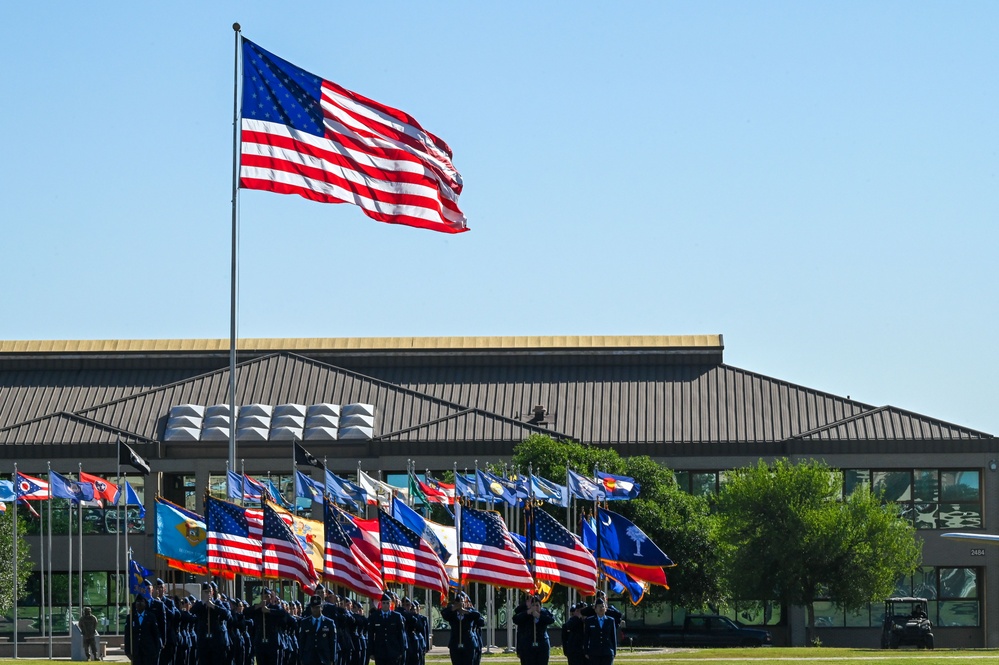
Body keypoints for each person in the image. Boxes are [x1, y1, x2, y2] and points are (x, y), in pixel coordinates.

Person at [246, 587, 290, 665]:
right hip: (260, 641)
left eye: (267, 596)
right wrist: (259, 606)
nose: (265, 598)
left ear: (270, 597)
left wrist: (268, 611)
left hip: (272, 641)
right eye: (263, 596)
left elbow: (283, 614)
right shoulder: (257, 608)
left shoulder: (275, 607)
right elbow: (245, 612)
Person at [439, 593, 482, 665]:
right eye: (458, 602)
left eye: (462, 602)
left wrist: (465, 611)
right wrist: (453, 608)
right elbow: (444, 613)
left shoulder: (469, 612)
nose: (460, 604)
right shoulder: (452, 614)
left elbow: (477, 615)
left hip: (468, 643)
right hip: (455, 643)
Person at [367, 592, 408, 665]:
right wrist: (371, 652)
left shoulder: (396, 616)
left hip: (393, 650)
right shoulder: (375, 616)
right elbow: (371, 635)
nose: (385, 605)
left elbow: (401, 634)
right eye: (384, 603)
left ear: (390, 604)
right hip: (379, 651)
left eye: (387, 603)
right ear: (381, 604)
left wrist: (402, 650)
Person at [513, 595, 554, 665]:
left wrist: (539, 616)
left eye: (537, 605)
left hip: (542, 643)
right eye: (533, 605)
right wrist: (528, 612)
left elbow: (551, 620)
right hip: (528, 644)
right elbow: (516, 619)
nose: (535, 607)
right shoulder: (526, 614)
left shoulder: (544, 612)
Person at [125, 594, 165, 665]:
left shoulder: (151, 617)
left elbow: (155, 633)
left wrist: (156, 649)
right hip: (136, 651)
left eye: (141, 601)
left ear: (145, 604)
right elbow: (127, 635)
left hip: (149, 651)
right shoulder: (130, 617)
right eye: (137, 601)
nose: (139, 603)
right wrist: (127, 651)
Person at [300, 595, 338, 665]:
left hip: (324, 658)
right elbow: (302, 642)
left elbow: (332, 642)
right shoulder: (305, 622)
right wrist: (301, 658)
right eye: (313, 607)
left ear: (321, 608)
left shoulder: (329, 623)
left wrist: (332, 659)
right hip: (309, 658)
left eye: (317, 607)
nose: (315, 610)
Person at [582, 600, 616, 665]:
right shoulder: (589, 621)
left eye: (603, 606)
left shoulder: (610, 620)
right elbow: (586, 637)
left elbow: (613, 637)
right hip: (594, 653)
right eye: (599, 607)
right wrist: (586, 651)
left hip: (607, 653)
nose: (601, 608)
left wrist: (614, 652)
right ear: (595, 609)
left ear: (606, 608)